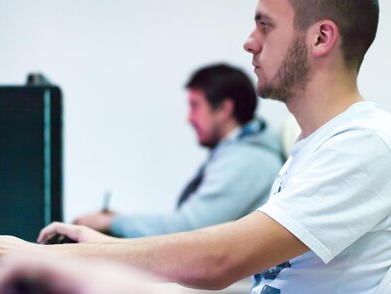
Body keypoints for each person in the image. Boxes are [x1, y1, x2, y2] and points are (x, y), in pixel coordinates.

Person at [0, 0, 391, 294]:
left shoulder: (365, 144)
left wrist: (44, 257)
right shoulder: (317, 145)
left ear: (321, 38)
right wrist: (94, 254)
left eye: (265, 25)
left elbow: (221, 260)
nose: (249, 42)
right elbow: (244, 270)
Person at [74, 63, 284, 237]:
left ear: (224, 109)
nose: (189, 118)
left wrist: (113, 223)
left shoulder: (248, 161)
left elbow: (188, 229)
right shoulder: (238, 153)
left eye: (195, 106)